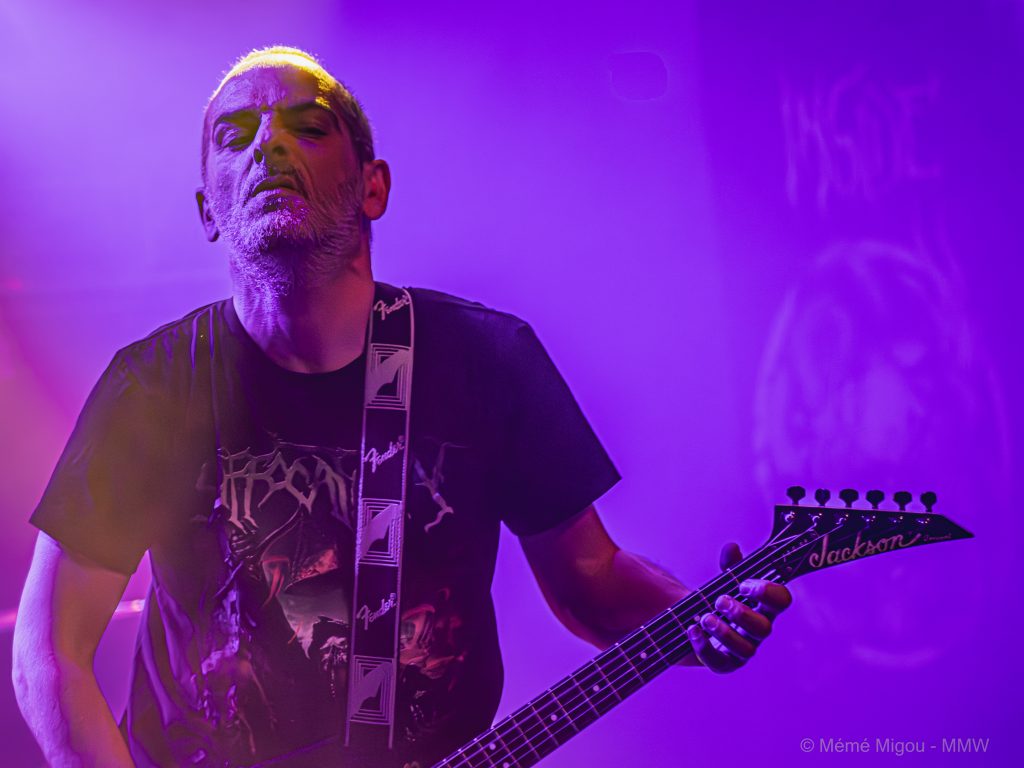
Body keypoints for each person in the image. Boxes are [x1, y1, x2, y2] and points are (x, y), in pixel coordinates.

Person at [11, 47, 791, 768]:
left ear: (373, 186)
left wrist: (699, 617)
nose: (269, 145)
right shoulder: (152, 387)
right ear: (207, 209)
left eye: (308, 127)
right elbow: (49, 654)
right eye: (235, 135)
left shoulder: (485, 360)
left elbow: (592, 584)